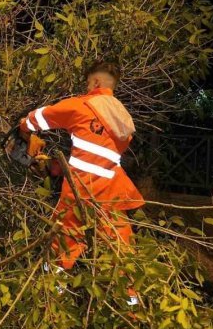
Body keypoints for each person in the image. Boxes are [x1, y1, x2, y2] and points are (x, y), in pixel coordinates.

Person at [18, 61, 143, 291]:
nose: (86, 87)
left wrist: (24, 126)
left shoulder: (81, 106)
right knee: (121, 247)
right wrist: (56, 166)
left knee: (63, 241)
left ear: (95, 82)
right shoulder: (122, 119)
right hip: (112, 191)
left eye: (87, 83)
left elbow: (42, 117)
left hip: (82, 188)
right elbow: (97, 153)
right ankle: (132, 303)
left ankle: (51, 295)